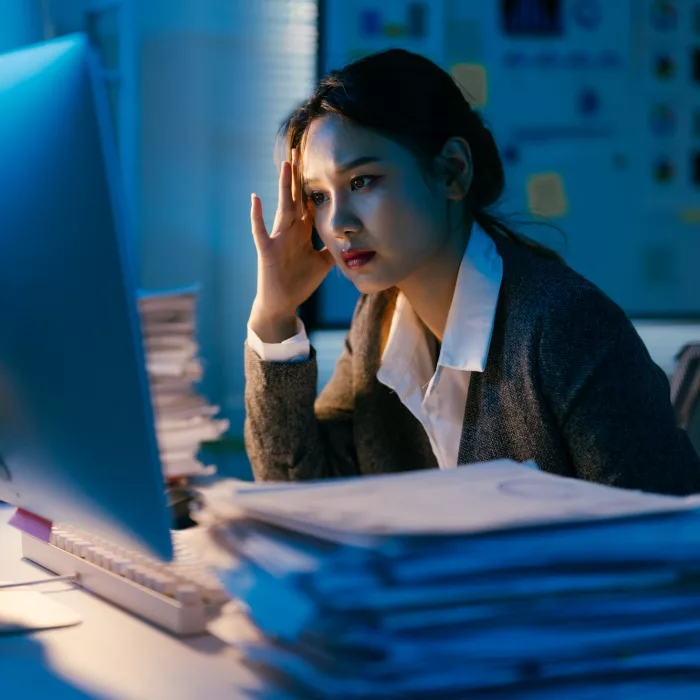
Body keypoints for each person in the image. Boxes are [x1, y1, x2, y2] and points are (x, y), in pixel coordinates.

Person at [243, 48, 700, 495]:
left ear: (452, 172)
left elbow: (658, 544)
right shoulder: (376, 324)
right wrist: (276, 314)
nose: (338, 223)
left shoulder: (568, 327)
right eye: (319, 196)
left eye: (362, 181)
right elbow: (299, 496)